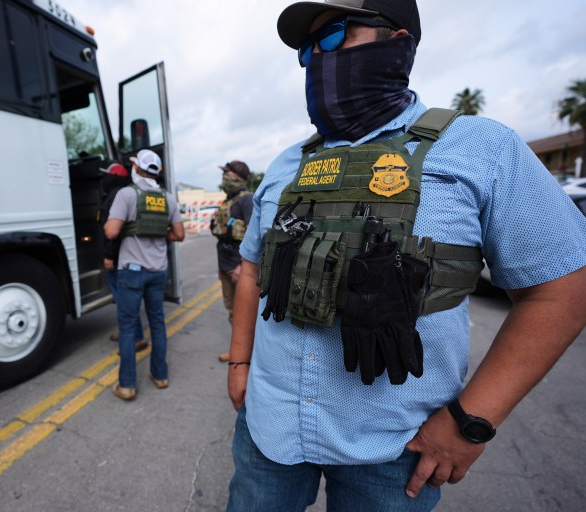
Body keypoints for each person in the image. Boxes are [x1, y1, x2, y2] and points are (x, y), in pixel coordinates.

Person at [225, 1, 586, 511]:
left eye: (334, 37)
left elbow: (563, 289)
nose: (316, 59)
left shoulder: (479, 148)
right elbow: (252, 271)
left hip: (396, 448)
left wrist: (471, 421)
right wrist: (239, 363)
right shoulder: (287, 164)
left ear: (395, 41)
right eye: (307, 50)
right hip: (269, 425)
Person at [104, 149, 185, 400]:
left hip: (132, 272)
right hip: (158, 271)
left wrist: (131, 228)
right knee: (158, 324)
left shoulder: (127, 194)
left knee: (128, 328)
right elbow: (179, 235)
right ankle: (160, 375)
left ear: (137, 168)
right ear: (156, 172)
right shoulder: (168, 198)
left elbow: (111, 232)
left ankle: (127, 385)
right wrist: (158, 233)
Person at [97, 160, 147, 352]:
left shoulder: (117, 196)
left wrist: (109, 255)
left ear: (114, 177)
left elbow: (114, 232)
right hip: (118, 257)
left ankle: (137, 337)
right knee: (121, 300)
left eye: (106, 175)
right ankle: (126, 331)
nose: (103, 179)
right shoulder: (114, 195)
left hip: (118, 259)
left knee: (125, 300)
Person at [210, 161, 254, 363]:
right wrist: (221, 268)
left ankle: (249, 356)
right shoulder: (228, 201)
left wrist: (243, 266)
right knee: (233, 312)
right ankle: (239, 352)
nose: (224, 177)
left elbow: (255, 237)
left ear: (238, 176)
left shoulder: (247, 200)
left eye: (227, 173)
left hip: (239, 267)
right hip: (226, 265)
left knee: (245, 315)